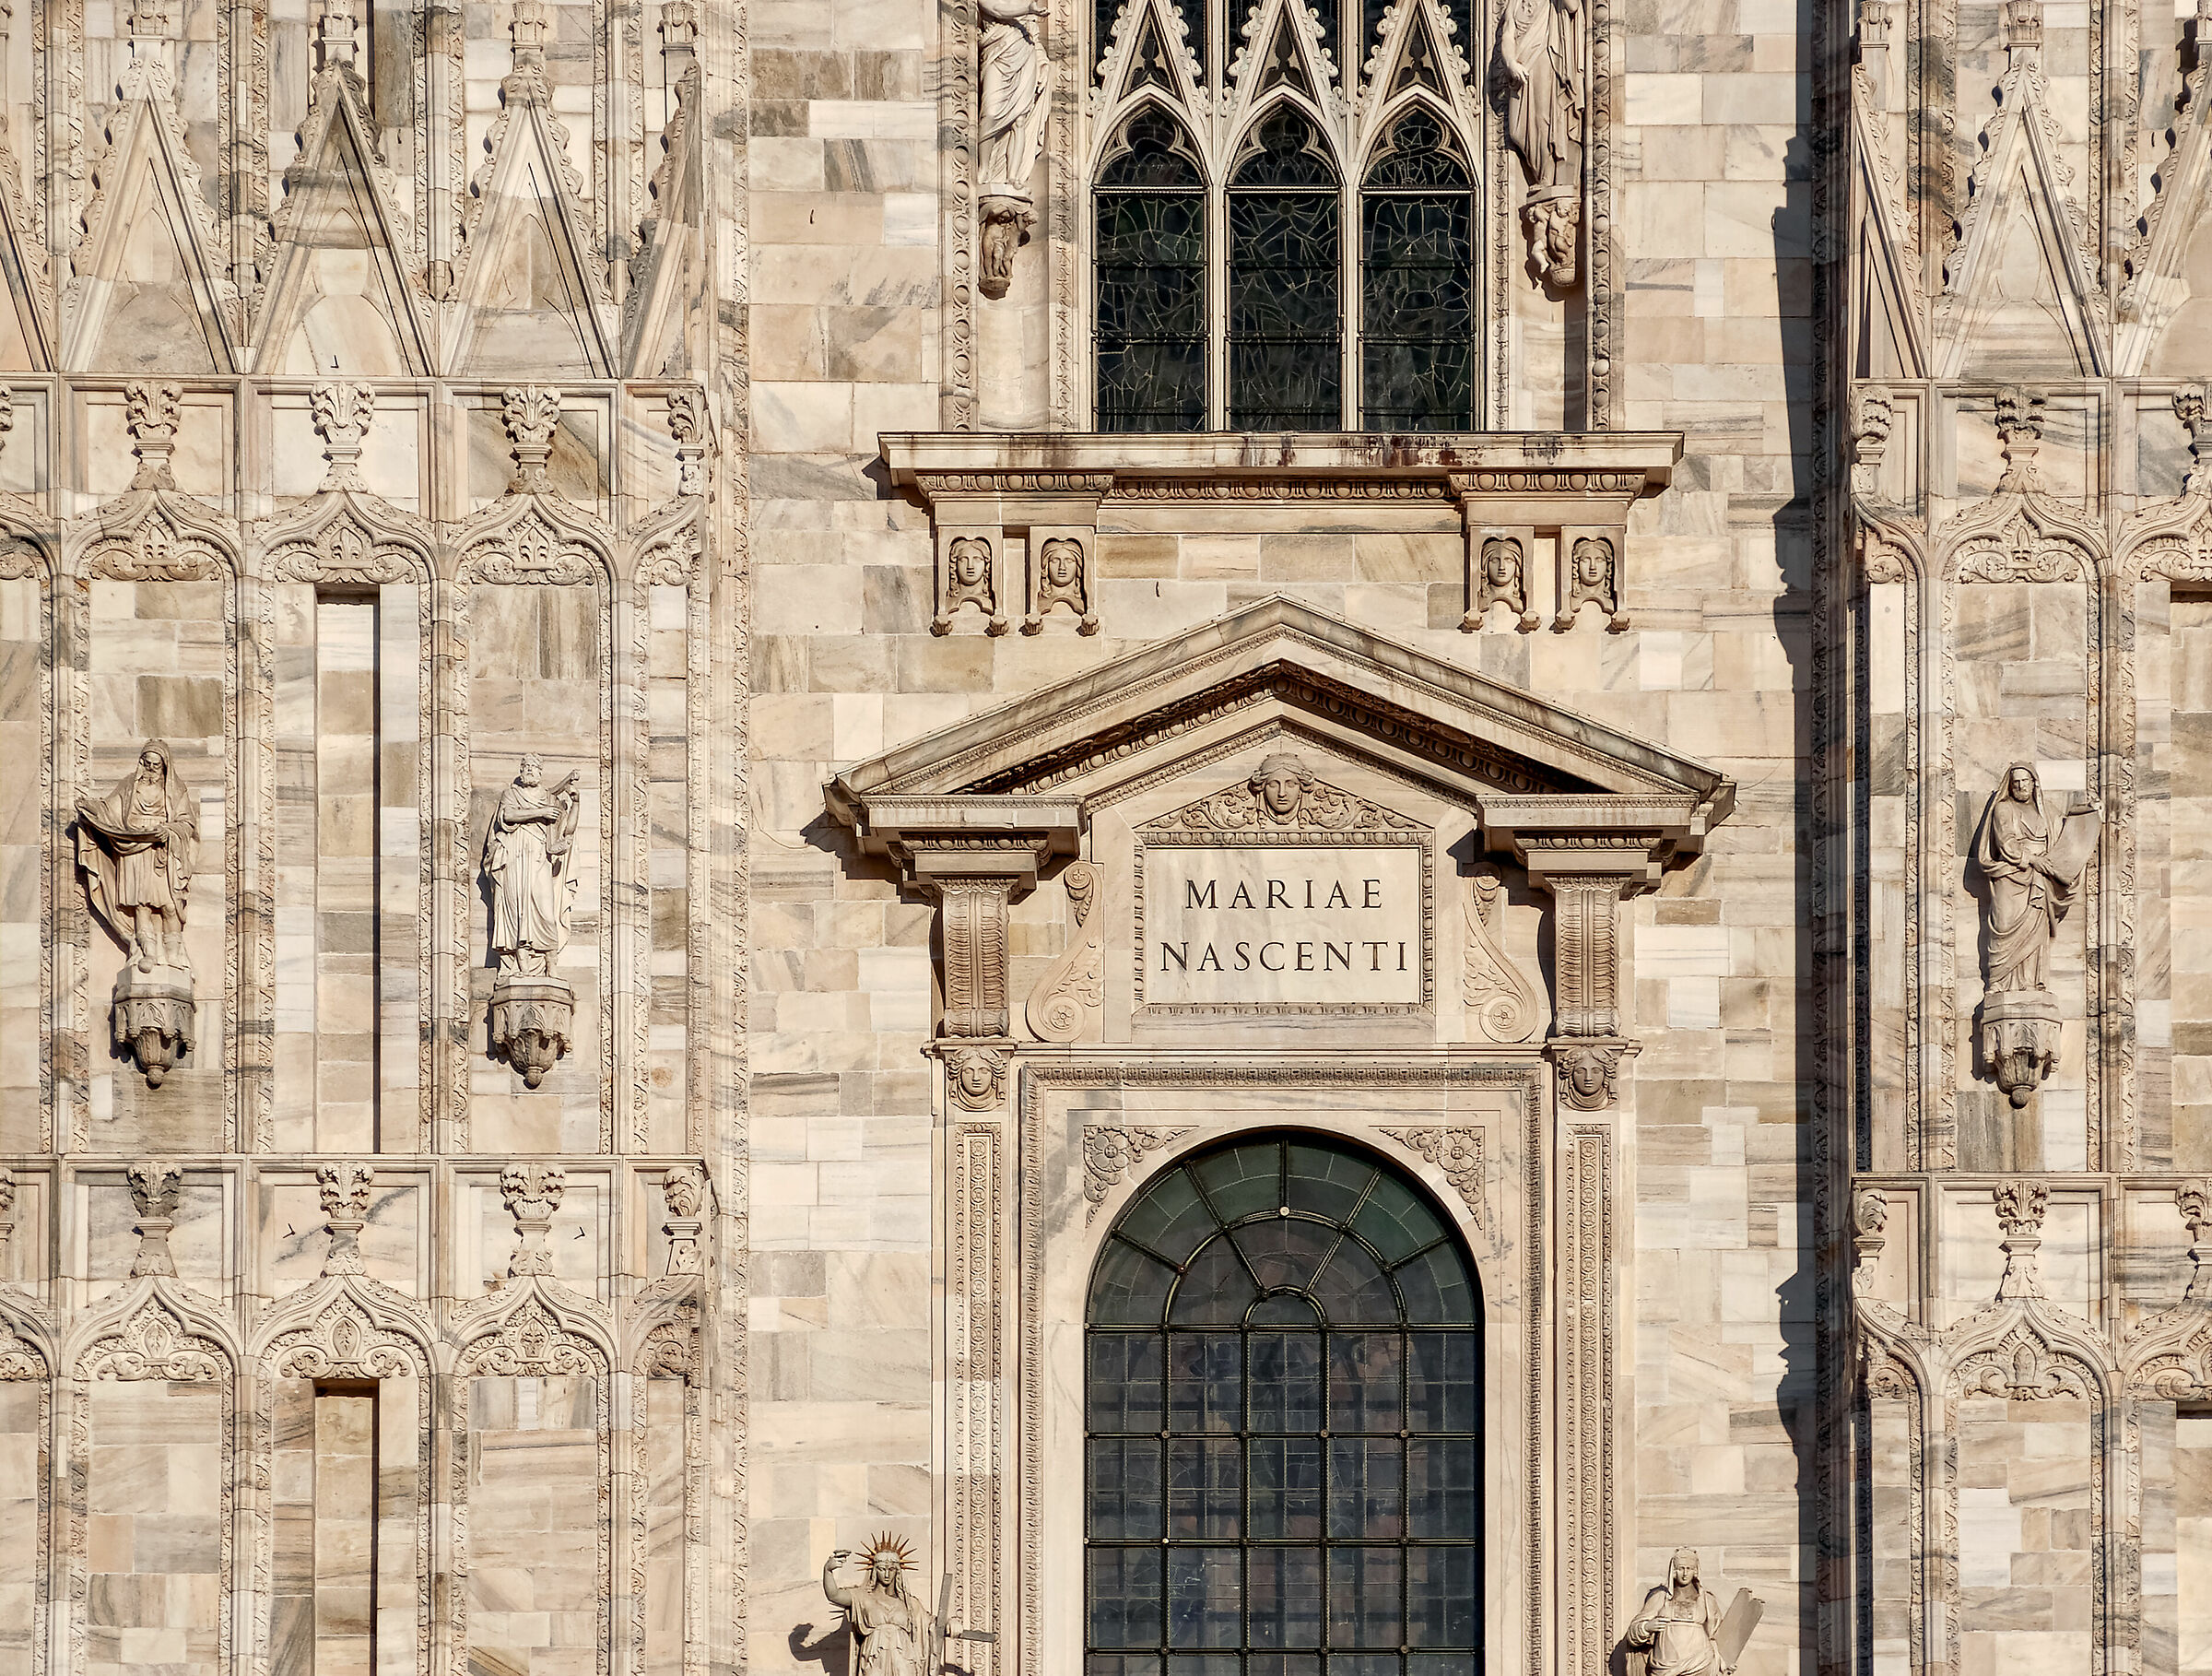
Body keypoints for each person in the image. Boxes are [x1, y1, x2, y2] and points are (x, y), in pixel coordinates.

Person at [1974, 761, 2098, 995]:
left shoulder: (2046, 812)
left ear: (2034, 783)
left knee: (2034, 933)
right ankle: (1999, 983)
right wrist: (2031, 859)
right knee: (2003, 925)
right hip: (2010, 876)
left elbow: (2064, 829)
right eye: (2016, 782)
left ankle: (2030, 984)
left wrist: (2089, 811)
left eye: (2025, 781)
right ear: (2010, 786)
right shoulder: (2004, 808)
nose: (2020, 786)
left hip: (2038, 880)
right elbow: (2006, 842)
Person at [76, 739, 198, 973]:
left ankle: (174, 954)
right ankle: (148, 952)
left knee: (169, 906)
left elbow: (186, 823)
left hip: (159, 849)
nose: (151, 769)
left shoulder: (175, 789)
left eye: (156, 765)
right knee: (141, 906)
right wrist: (91, 808)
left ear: (164, 766)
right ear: (142, 762)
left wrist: (169, 830)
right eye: (147, 763)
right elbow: (110, 810)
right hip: (132, 846)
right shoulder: (129, 786)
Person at [484, 754, 580, 977]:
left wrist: (576, 802)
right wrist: (540, 813)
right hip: (515, 855)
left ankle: (551, 964)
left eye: (533, 767)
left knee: (546, 910)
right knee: (518, 911)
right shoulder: (511, 793)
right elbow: (508, 815)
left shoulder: (549, 797)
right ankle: (522, 966)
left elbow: (568, 829)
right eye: (525, 766)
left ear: (540, 772)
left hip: (539, 857)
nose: (528, 770)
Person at [822, 1540, 928, 1676]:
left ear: (898, 1572)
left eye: (891, 1569)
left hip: (904, 1659)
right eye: (882, 1569)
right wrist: (828, 1571)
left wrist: (952, 1622)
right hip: (873, 1657)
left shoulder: (909, 1603)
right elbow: (834, 1595)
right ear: (874, 1570)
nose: (887, 1574)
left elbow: (930, 1624)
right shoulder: (862, 1597)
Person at [1627, 1548, 1732, 1676]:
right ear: (1674, 1570)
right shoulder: (1660, 1596)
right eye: (1681, 1568)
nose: (1685, 1573)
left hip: (1701, 1663)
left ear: (1695, 1571)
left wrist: (1724, 1660)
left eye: (1689, 1569)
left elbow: (1716, 1635)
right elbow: (1633, 1634)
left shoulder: (1707, 1599)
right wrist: (1647, 1627)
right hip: (1665, 1665)